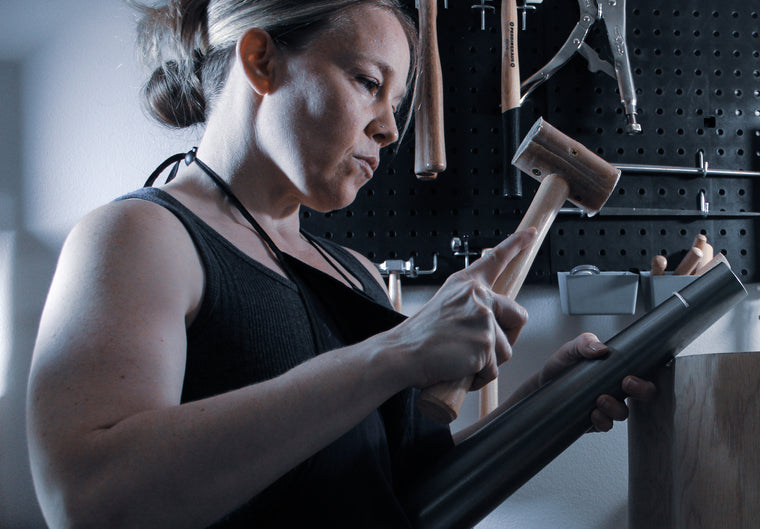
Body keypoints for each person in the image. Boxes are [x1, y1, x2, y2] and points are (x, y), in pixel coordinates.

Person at [25, 0, 655, 527]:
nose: (389, 128)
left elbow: (401, 496)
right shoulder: (140, 236)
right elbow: (88, 500)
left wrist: (549, 405)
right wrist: (397, 352)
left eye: (397, 101)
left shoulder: (356, 273)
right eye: (368, 83)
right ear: (261, 61)